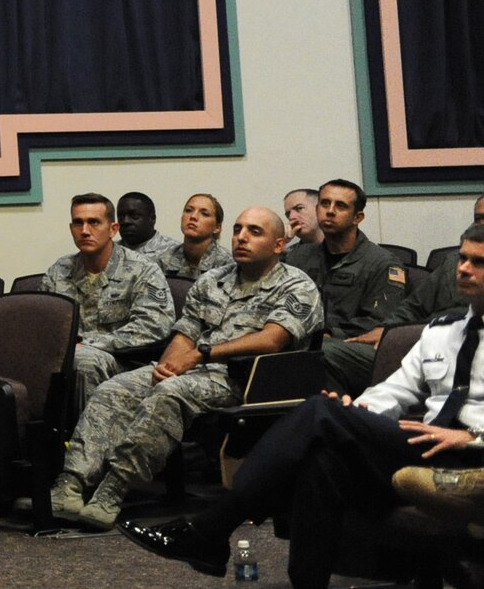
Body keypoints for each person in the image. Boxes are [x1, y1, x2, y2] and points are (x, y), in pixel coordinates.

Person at [121, 224, 484, 589]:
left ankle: (211, 529)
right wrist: (358, 409)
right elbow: (394, 390)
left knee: (318, 414)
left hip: (472, 461)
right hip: (426, 448)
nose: (463, 269)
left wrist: (470, 435)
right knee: (321, 459)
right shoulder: (440, 331)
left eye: (478, 262)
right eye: (463, 258)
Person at [49, 207, 322, 529]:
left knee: (170, 393)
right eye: (237, 229)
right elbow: (185, 332)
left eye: (254, 231)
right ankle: (73, 481)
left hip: (246, 379)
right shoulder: (212, 279)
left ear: (279, 245)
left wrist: (200, 355)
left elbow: (271, 340)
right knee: (116, 388)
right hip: (194, 368)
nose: (242, 237)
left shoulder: (297, 286)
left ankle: (114, 488)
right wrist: (170, 364)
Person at [324, 193, 484, 394]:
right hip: (421, 345)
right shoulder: (455, 261)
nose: (466, 268)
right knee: (321, 355)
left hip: (457, 349)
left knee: (326, 353)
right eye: (479, 219)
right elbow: (414, 306)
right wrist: (387, 330)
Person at [41, 193, 176, 411]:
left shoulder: (142, 269)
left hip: (127, 363)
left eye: (94, 222)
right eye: (78, 223)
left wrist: (89, 344)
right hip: (70, 360)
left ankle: (86, 443)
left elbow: (153, 326)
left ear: (113, 229)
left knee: (85, 361)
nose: (85, 231)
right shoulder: (60, 270)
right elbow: (44, 324)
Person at [287, 179, 405, 347]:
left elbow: (379, 320)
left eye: (340, 206)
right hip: (302, 341)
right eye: (325, 204)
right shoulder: (298, 256)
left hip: (349, 345)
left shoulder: (383, 263)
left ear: (358, 217)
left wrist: (329, 335)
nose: (330, 211)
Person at [158, 193, 233, 280]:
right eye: (188, 210)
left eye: (204, 214)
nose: (193, 217)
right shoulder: (164, 260)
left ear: (217, 228)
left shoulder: (228, 265)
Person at [119, 192, 179, 259]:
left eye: (134, 216)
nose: (125, 221)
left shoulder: (174, 251)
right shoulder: (110, 250)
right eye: (121, 217)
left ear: (152, 218)